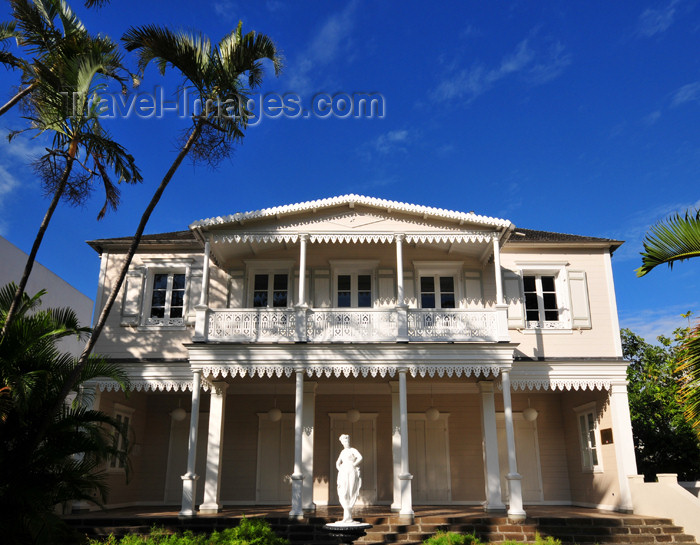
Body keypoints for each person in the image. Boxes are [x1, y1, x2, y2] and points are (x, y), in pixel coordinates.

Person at [336, 434, 362, 523]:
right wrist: (340, 469)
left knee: (351, 491)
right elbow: (337, 462)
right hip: (343, 471)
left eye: (347, 440)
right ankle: (346, 516)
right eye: (344, 441)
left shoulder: (353, 450)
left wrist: (353, 465)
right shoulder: (342, 452)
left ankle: (348, 516)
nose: (345, 442)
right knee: (343, 492)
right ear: (342, 442)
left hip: (351, 470)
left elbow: (360, 457)